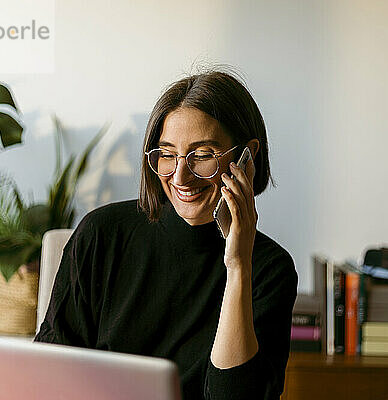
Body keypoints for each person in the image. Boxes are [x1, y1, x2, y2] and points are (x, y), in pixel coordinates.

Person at [35, 70, 298, 400]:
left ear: (248, 156)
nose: (181, 176)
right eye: (167, 154)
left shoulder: (270, 269)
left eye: (202, 155)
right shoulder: (102, 234)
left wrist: (238, 265)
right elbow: (47, 373)